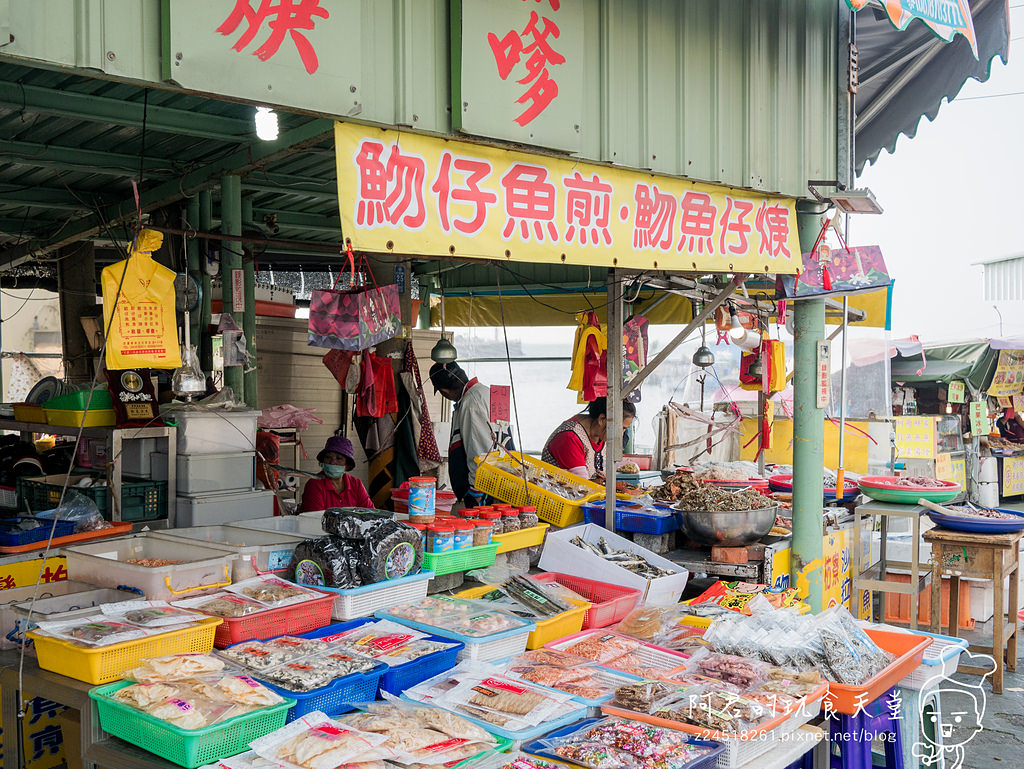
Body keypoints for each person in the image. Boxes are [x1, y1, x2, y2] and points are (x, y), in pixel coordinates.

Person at [429, 361, 514, 504]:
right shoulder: (485, 392)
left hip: (486, 489)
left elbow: (478, 449)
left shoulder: (471, 403)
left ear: (444, 391)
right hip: (503, 478)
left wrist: (476, 489)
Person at [542, 397, 636, 480]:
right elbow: (583, 485)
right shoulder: (569, 438)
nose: (621, 434)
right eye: (621, 428)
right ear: (602, 419)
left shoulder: (602, 433)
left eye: (625, 429)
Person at [300, 435, 375, 512]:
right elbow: (314, 518)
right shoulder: (314, 484)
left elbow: (370, 513)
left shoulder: (356, 484)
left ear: (347, 465)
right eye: (328, 457)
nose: (332, 462)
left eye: (339, 458)